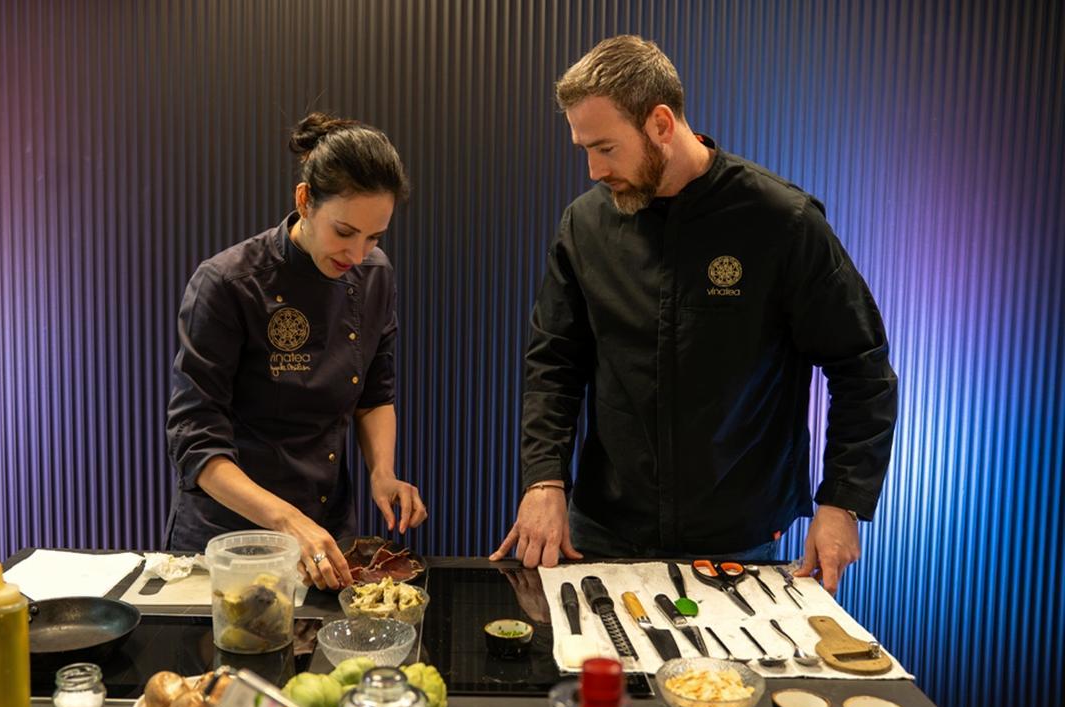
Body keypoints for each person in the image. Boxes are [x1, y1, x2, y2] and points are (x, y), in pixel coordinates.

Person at [490, 36, 898, 592]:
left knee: (727, 682)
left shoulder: (781, 221)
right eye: (583, 148)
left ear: (660, 123)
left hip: (741, 538)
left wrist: (843, 502)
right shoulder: (584, 226)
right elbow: (553, 366)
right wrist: (544, 481)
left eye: (606, 148)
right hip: (604, 527)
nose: (592, 170)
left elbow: (863, 367)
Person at [166, 112, 427, 590]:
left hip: (326, 530)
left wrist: (382, 473)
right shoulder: (228, 283)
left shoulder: (375, 275)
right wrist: (286, 522)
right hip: (231, 537)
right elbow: (196, 443)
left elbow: (374, 392)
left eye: (374, 237)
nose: (357, 254)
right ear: (305, 201)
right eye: (344, 232)